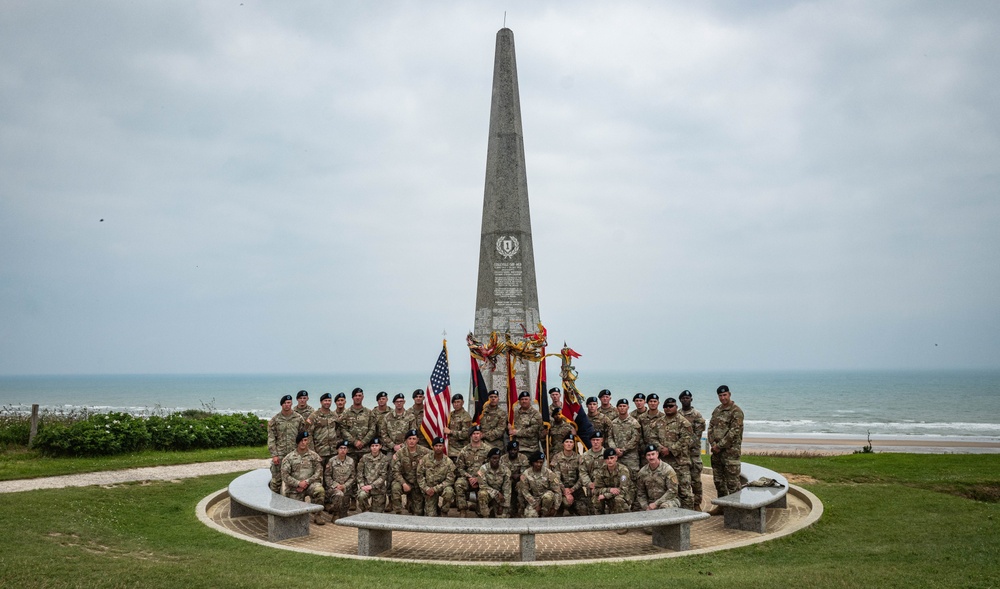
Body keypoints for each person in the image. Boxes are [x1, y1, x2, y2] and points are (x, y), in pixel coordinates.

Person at [653, 397, 696, 510]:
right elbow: (652, 437)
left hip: (680, 463)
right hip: (665, 462)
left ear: (676, 407)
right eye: (666, 406)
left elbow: (686, 439)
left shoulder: (683, 422)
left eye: (671, 406)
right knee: (666, 490)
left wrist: (670, 449)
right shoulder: (658, 422)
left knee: (684, 491)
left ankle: (688, 516)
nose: (668, 408)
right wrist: (660, 448)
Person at [708, 385, 745, 503]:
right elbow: (710, 428)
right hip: (717, 454)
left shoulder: (736, 411)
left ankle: (736, 510)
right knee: (719, 482)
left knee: (732, 484)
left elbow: (733, 432)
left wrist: (719, 446)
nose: (723, 398)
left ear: (729, 394)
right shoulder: (717, 410)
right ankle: (722, 506)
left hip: (730, 454)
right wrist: (713, 443)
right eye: (720, 395)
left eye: (725, 395)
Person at [280, 431, 326, 525]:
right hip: (295, 487)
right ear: (297, 442)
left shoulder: (314, 456)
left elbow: (319, 472)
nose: (303, 443)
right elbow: (285, 475)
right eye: (301, 441)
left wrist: (307, 482)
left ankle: (318, 515)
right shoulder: (289, 458)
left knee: (319, 490)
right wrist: (298, 483)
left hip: (310, 485)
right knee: (296, 517)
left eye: (305, 440)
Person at [267, 394, 306, 493]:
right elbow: (271, 438)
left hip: (294, 453)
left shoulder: (299, 418)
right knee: (276, 481)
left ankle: (292, 504)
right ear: (282, 405)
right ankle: (274, 504)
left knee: (295, 480)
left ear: (291, 403)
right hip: (280, 454)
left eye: (289, 403)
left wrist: (303, 452)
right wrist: (274, 455)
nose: (287, 405)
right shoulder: (275, 420)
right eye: (285, 403)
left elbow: (303, 438)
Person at [391, 429, 430, 515]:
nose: (412, 441)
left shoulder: (425, 452)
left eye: (414, 439)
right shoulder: (400, 453)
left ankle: (410, 504)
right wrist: (403, 483)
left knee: (418, 512)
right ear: (406, 440)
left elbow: (437, 459)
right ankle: (398, 512)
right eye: (409, 439)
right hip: (405, 482)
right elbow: (395, 471)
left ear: (417, 440)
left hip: (418, 484)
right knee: (395, 487)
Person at [679, 390, 707, 508]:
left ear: (691, 399)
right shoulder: (677, 414)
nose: (686, 400)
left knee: (695, 481)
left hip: (693, 453)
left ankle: (697, 504)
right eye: (683, 398)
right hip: (681, 454)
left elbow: (697, 435)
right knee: (682, 480)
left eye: (688, 398)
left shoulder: (697, 415)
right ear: (680, 400)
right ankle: (684, 503)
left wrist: (684, 444)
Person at [454, 425, 490, 516]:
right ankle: (463, 510)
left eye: (478, 433)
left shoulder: (488, 450)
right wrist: (469, 477)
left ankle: (480, 508)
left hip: (483, 480)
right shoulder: (464, 451)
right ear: (470, 436)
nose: (476, 436)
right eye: (474, 434)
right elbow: (459, 468)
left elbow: (490, 468)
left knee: (481, 512)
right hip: (468, 479)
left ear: (481, 435)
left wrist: (478, 479)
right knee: (459, 484)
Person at [550, 434, 588, 516]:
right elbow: (556, 478)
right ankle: (563, 509)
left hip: (576, 489)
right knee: (564, 503)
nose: (569, 444)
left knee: (585, 510)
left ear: (574, 444)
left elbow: (582, 477)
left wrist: (572, 490)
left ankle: (573, 509)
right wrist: (565, 490)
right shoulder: (556, 458)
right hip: (560, 489)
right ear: (563, 444)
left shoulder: (579, 458)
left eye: (571, 442)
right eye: (567, 442)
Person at [417, 437, 456, 517]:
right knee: (431, 516)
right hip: (429, 489)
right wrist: (426, 488)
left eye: (440, 446)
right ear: (433, 447)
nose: (438, 448)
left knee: (449, 492)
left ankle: (444, 511)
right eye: (436, 446)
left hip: (441, 488)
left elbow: (450, 480)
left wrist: (435, 489)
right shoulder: (425, 459)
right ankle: (435, 508)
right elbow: (419, 475)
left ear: (443, 447)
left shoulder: (449, 462)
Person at [593, 448, 632, 525]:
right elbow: (596, 489)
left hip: (624, 495)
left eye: (612, 458)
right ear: (604, 460)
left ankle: (622, 523)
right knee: (596, 498)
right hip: (610, 494)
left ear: (616, 458)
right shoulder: (600, 471)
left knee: (618, 499)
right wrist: (610, 490)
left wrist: (605, 495)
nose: (610, 460)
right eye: (607, 458)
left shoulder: (623, 470)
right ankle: (600, 520)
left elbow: (623, 490)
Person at [635, 444, 680, 511]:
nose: (651, 457)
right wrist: (646, 507)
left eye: (653, 454)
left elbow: (672, 491)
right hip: (650, 503)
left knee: (665, 507)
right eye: (648, 455)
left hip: (669, 500)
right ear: (646, 457)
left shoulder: (668, 470)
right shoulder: (642, 472)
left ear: (657, 454)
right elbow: (641, 493)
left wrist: (656, 504)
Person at [340, 387, 375, 470]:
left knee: (366, 473)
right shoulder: (346, 413)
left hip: (365, 450)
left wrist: (363, 442)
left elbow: (372, 429)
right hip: (351, 450)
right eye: (356, 396)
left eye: (360, 395)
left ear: (363, 397)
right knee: (351, 473)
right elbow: (343, 429)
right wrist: (354, 442)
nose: (358, 397)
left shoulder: (369, 412)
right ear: (352, 398)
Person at [518, 451, 560, 518]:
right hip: (534, 499)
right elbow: (525, 491)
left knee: (548, 496)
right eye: (537, 462)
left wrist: (555, 508)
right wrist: (535, 505)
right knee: (530, 515)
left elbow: (557, 490)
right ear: (532, 462)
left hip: (547, 500)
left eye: (541, 462)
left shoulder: (549, 473)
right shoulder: (526, 473)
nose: (539, 464)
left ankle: (545, 515)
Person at [356, 437, 391, 513]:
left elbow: (383, 476)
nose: (374, 448)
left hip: (379, 489)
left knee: (376, 514)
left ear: (380, 446)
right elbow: (359, 473)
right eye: (372, 446)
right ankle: (365, 510)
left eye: (376, 445)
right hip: (365, 487)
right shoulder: (364, 458)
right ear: (370, 447)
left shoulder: (384, 459)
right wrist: (362, 485)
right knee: (361, 496)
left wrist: (372, 486)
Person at [306, 392, 339, 470]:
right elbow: (309, 434)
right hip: (319, 452)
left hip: (333, 452)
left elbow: (337, 429)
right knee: (319, 475)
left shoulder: (334, 415)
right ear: (321, 402)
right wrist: (313, 452)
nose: (327, 402)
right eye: (325, 400)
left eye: (329, 400)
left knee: (331, 475)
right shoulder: (314, 416)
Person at [608, 398, 642, 474]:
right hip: (617, 456)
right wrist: (615, 449)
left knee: (632, 478)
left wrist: (623, 450)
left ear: (628, 407)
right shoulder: (613, 423)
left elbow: (635, 439)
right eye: (620, 406)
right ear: (617, 408)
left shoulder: (634, 422)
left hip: (630, 458)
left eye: (624, 406)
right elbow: (610, 437)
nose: (622, 408)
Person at [324, 440, 355, 520]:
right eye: (341, 448)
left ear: (347, 450)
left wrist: (344, 486)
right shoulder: (332, 461)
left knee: (344, 515)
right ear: (337, 450)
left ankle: (333, 508)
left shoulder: (351, 461)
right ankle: (335, 514)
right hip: (334, 489)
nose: (343, 450)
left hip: (346, 489)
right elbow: (327, 476)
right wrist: (335, 485)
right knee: (339, 495)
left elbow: (352, 477)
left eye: (345, 448)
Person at [477, 448, 511, 518]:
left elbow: (507, 489)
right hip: (489, 494)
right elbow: (483, 486)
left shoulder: (505, 470)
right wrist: (496, 493)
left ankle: (495, 510)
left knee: (502, 520)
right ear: (489, 458)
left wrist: (502, 506)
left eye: (497, 458)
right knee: (482, 494)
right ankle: (485, 516)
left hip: (500, 498)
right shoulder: (483, 469)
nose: (495, 460)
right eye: (493, 458)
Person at [509, 391, 545, 456]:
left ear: (529, 400)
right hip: (517, 449)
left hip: (530, 449)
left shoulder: (535, 414)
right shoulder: (515, 413)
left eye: (526, 399)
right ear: (519, 401)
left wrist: (517, 432)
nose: (524, 401)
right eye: (522, 399)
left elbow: (533, 431)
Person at [579, 431, 606, 514]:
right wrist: (589, 484)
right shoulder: (585, 456)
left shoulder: (607, 454)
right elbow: (583, 472)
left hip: (605, 487)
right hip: (591, 489)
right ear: (590, 441)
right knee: (593, 512)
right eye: (593, 440)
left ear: (602, 440)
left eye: (597, 440)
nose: (595, 442)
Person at [500, 440, 529, 517]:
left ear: (518, 450)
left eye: (515, 450)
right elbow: (501, 472)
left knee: (521, 486)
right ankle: (506, 508)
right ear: (508, 450)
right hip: (507, 480)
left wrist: (519, 475)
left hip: (519, 481)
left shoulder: (523, 458)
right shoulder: (503, 459)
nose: (513, 452)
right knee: (506, 484)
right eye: (511, 450)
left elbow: (525, 473)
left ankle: (521, 509)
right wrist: (510, 476)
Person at [445, 394, 473, 460]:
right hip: (448, 449)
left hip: (459, 450)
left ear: (462, 402)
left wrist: (450, 432)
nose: (456, 404)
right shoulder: (450, 415)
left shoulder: (466, 417)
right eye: (454, 402)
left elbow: (466, 434)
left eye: (458, 402)